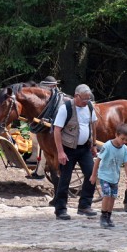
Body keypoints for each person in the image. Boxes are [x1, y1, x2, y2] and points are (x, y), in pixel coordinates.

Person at [52, 84, 98, 220]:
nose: (86, 102)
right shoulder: (65, 108)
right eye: (84, 99)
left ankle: (85, 205)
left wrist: (94, 144)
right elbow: (56, 130)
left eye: (88, 99)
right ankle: (60, 209)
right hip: (68, 149)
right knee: (65, 179)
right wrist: (60, 152)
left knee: (91, 174)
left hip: (85, 148)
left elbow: (94, 125)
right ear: (77, 96)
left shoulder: (89, 106)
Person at [90, 123, 127, 228]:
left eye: (126, 140)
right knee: (107, 194)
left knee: (113, 197)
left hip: (115, 177)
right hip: (104, 175)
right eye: (122, 139)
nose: (124, 142)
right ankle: (103, 215)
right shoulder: (107, 146)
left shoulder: (125, 149)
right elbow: (98, 161)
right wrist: (94, 175)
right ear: (116, 135)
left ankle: (109, 215)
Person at [28, 75, 61, 180]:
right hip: (45, 127)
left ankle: (40, 172)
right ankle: (38, 170)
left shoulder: (57, 99)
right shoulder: (49, 98)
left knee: (42, 150)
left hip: (52, 129)